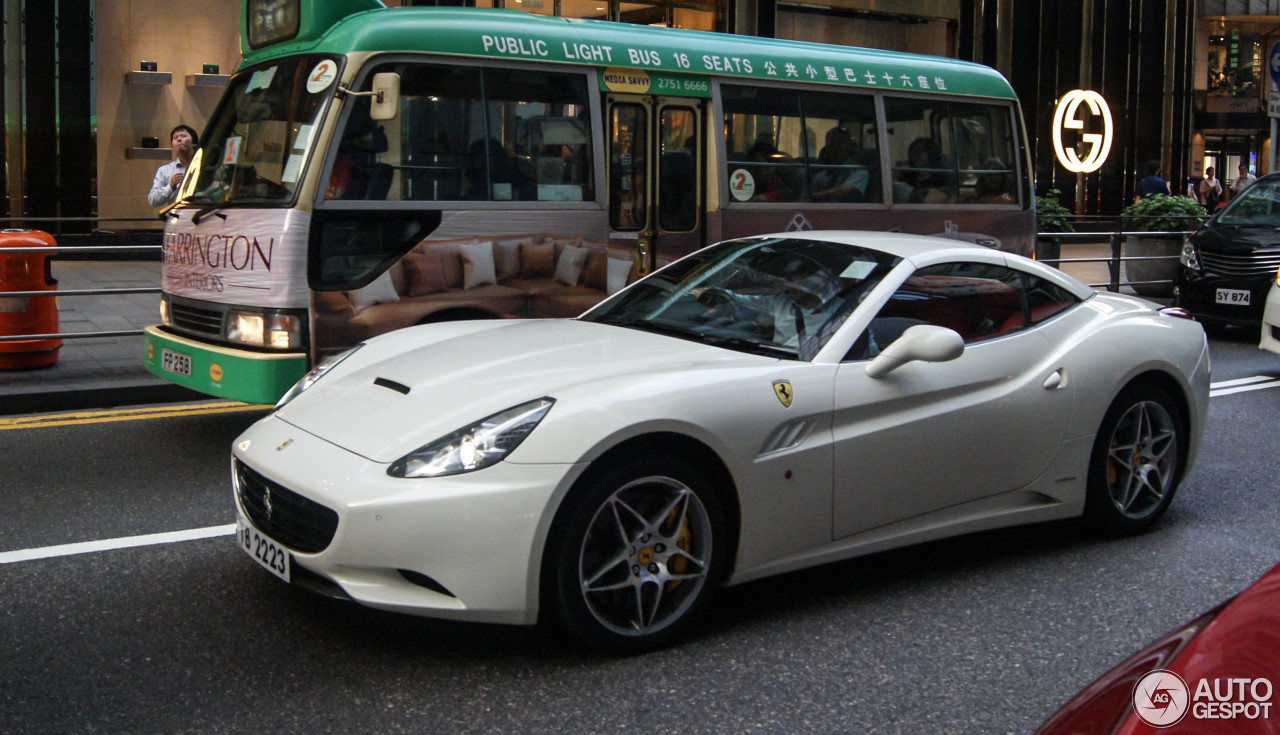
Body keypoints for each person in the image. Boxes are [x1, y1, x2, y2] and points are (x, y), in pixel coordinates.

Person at [811, 127, 870, 202]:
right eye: (831, 141)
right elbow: (810, 201)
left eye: (839, 141)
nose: (834, 145)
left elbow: (845, 190)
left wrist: (815, 196)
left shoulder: (860, 172)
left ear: (849, 145)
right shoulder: (821, 176)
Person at [147, 125, 198, 207]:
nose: (179, 139)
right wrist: (170, 187)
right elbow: (153, 200)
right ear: (173, 147)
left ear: (194, 143)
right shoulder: (165, 170)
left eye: (183, 136)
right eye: (175, 138)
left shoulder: (205, 167)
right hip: (177, 217)